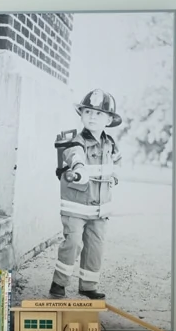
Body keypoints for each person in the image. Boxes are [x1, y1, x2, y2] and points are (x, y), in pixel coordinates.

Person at [50, 89, 122, 300]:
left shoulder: (111, 144)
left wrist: (115, 175)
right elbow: (75, 156)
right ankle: (59, 282)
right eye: (88, 112)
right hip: (76, 206)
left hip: (100, 208)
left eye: (99, 113)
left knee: (95, 246)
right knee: (72, 243)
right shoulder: (76, 141)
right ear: (81, 115)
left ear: (108, 120)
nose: (92, 116)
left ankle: (88, 285)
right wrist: (79, 168)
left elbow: (117, 161)